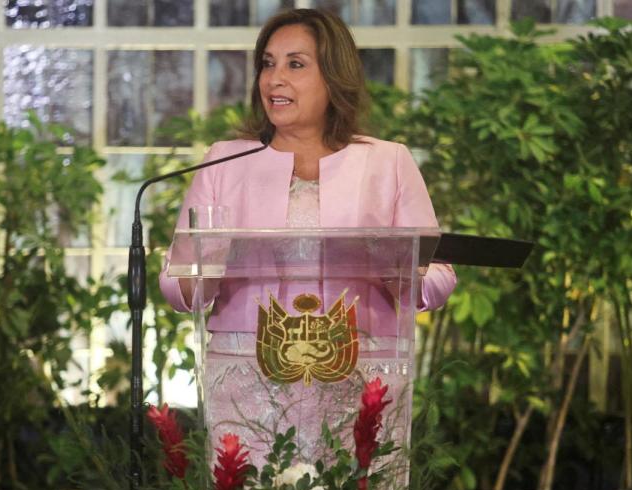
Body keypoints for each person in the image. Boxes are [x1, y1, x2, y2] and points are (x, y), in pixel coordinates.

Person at [158, 8, 456, 329]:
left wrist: (394, 264)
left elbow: (439, 279)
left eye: (295, 64)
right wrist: (209, 264)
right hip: (246, 368)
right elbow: (177, 286)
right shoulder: (223, 162)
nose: (274, 79)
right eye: (268, 64)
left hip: (358, 367)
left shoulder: (388, 162)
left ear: (333, 77)